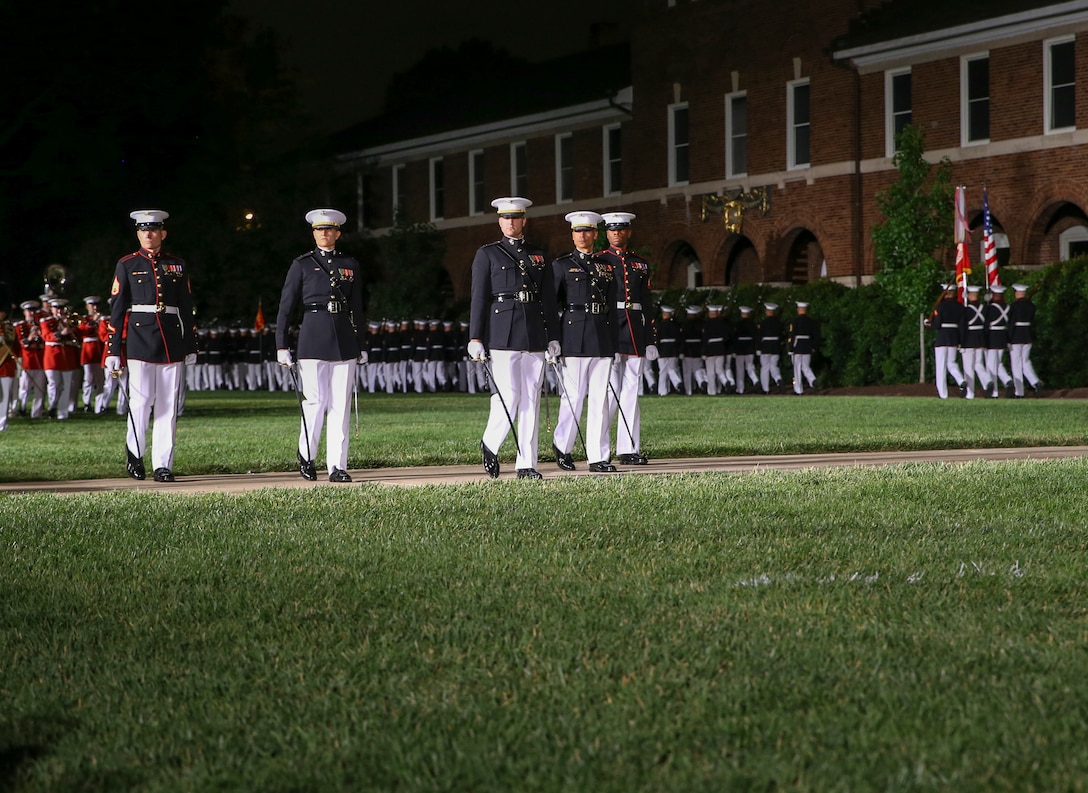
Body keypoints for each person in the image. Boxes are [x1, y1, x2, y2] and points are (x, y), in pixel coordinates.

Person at [468, 197, 560, 479]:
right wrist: (475, 337)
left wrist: (553, 336)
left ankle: (526, 463)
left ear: (524, 221)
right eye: (505, 218)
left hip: (533, 331)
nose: (511, 223)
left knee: (530, 398)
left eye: (515, 218)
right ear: (499, 222)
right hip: (502, 330)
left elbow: (548, 299)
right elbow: (479, 299)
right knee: (508, 396)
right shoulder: (488, 254)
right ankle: (491, 443)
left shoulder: (539, 254)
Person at [105, 210, 198, 481]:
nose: (148, 234)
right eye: (143, 230)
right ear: (137, 233)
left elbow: (186, 307)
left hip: (171, 341)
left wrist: (191, 344)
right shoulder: (127, 264)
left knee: (168, 405)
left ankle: (163, 464)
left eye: (153, 229)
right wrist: (112, 350)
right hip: (140, 340)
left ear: (163, 233)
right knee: (141, 402)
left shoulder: (177, 265)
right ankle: (135, 456)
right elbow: (117, 310)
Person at [275, 208, 367, 483]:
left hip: (344, 339)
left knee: (341, 404)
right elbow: (286, 307)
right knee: (315, 402)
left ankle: (337, 465)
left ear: (338, 233)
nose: (324, 233)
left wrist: (361, 343)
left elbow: (358, 307)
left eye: (329, 229)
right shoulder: (301, 264)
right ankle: (307, 456)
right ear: (313, 233)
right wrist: (282, 344)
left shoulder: (350, 263)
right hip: (313, 338)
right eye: (319, 229)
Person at [551, 210, 618, 474]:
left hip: (602, 335)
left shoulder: (606, 267)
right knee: (574, 397)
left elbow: (612, 306)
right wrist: (553, 340)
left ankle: (598, 456)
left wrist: (615, 341)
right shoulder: (561, 265)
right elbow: (550, 305)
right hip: (574, 336)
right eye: (578, 231)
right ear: (572, 234)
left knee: (600, 399)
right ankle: (563, 446)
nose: (582, 236)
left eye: (587, 231)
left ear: (595, 234)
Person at [599, 211, 657, 464]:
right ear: (606, 233)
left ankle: (628, 449)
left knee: (632, 391)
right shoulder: (600, 261)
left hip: (635, 329)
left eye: (621, 229)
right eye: (612, 229)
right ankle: (598, 448)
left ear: (628, 232)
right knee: (609, 393)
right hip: (611, 327)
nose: (616, 233)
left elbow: (647, 302)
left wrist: (651, 338)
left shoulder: (640, 264)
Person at [40, 298, 80, 420]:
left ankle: (63, 412)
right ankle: (52, 407)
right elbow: (46, 335)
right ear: (51, 309)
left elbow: (78, 335)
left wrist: (71, 329)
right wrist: (61, 333)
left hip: (66, 355)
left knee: (67, 385)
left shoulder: (68, 321)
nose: (59, 311)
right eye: (56, 308)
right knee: (54, 384)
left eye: (61, 308)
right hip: (52, 356)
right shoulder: (46, 321)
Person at [927, 284, 967, 399]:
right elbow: (962, 327)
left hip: (942, 338)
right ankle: (961, 381)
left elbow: (937, 324)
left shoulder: (940, 306)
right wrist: (961, 341)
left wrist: (929, 324)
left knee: (941, 367)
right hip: (954, 338)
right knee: (951, 363)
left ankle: (943, 394)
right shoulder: (960, 307)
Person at [1008, 283, 1042, 397]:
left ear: (1017, 293)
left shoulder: (1013, 306)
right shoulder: (1031, 306)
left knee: (1016, 364)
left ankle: (1019, 392)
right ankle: (1035, 382)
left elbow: (1011, 323)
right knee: (1025, 361)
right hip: (1027, 335)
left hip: (1016, 336)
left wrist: (1009, 338)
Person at [959, 286, 991, 400]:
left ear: (970, 295)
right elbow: (987, 326)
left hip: (969, 340)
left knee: (968, 368)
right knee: (978, 364)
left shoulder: (966, 310)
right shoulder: (985, 308)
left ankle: (970, 393)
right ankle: (987, 382)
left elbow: (963, 328)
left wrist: (961, 343)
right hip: (980, 339)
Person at [984, 284, 1013, 398]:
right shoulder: (1007, 307)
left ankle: (993, 392)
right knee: (998, 363)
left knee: (991, 365)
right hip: (1002, 337)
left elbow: (986, 324)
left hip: (992, 336)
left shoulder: (990, 308)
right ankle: (1007, 380)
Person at [78, 296, 105, 412]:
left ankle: (99, 405)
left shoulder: (103, 319)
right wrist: (94, 321)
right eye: (92, 305)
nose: (95, 307)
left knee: (100, 380)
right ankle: (87, 402)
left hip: (99, 351)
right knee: (88, 379)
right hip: (88, 352)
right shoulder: (84, 319)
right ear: (87, 306)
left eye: (96, 305)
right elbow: (82, 330)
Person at [788, 301, 820, 394]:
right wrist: (813, 347)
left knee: (797, 368)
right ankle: (813, 380)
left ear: (798, 309)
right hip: (808, 346)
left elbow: (791, 335)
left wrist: (790, 348)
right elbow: (816, 335)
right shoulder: (812, 321)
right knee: (805, 366)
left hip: (797, 346)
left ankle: (798, 390)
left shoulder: (795, 321)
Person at [701, 304, 730, 395]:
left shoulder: (707, 325)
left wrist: (704, 352)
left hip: (710, 350)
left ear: (710, 313)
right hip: (721, 349)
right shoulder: (723, 323)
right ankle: (725, 382)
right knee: (719, 370)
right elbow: (726, 337)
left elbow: (705, 339)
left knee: (710, 372)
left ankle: (712, 391)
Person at [655, 305, 683, 396]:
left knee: (663, 371)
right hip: (673, 350)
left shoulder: (660, 325)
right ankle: (677, 383)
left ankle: (663, 391)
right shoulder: (675, 325)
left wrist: (657, 350)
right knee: (672, 369)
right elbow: (679, 339)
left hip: (663, 350)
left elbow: (658, 339)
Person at [757, 302, 784, 394]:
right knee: (773, 366)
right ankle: (778, 379)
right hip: (775, 347)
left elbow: (759, 336)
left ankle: (765, 389)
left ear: (767, 311)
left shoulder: (763, 323)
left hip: (766, 347)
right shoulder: (778, 323)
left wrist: (758, 348)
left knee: (765, 368)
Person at [732, 305, 758, 394]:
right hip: (750, 348)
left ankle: (740, 389)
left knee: (740, 370)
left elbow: (734, 338)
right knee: (750, 367)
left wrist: (734, 350)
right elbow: (756, 337)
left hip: (740, 349)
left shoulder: (738, 324)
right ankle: (755, 380)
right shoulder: (753, 324)